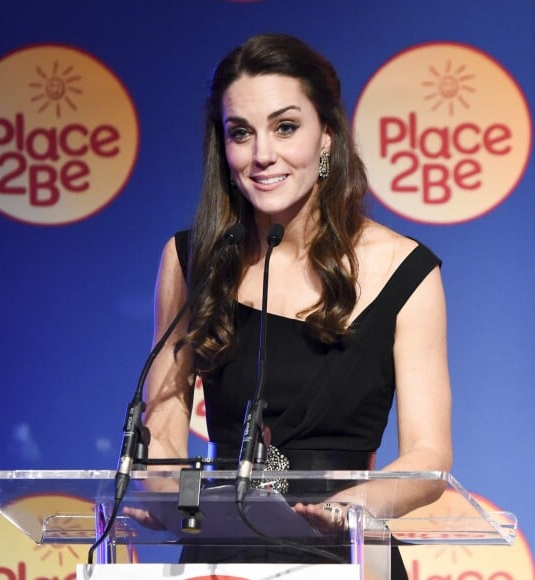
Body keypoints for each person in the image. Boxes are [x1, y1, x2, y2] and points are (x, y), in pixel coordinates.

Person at [137, 33, 452, 577]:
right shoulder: (193, 259)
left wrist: (355, 506)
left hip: (346, 552)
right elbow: (163, 419)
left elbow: (429, 457)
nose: (263, 155)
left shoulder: (406, 269)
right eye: (241, 133)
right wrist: (170, 496)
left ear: (326, 135)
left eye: (286, 127)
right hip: (223, 552)